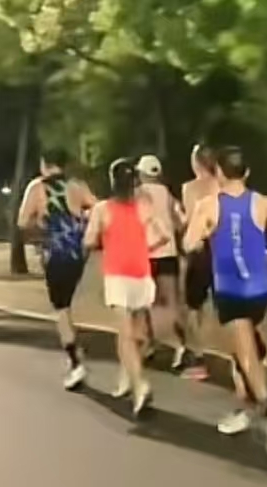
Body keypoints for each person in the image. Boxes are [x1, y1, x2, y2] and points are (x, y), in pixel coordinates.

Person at [184, 145, 267, 452]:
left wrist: (204, 237)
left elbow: (188, 243)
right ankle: (244, 409)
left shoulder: (208, 205)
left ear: (218, 172)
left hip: (230, 289)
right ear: (247, 172)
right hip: (260, 290)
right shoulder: (265, 202)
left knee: (244, 354)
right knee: (241, 348)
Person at [84, 158, 172, 415]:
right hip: (141, 274)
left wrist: (102, 240)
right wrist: (145, 248)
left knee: (125, 335)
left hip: (117, 274)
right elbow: (165, 235)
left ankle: (139, 384)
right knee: (136, 333)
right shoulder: (144, 206)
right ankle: (126, 378)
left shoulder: (102, 209)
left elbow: (89, 241)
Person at [19, 148, 97, 390]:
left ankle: (76, 363)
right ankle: (77, 353)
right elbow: (97, 209)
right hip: (79, 253)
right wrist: (81, 222)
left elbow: (22, 221)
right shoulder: (77, 185)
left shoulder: (37, 187)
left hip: (56, 254)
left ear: (44, 164)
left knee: (61, 309)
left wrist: (41, 223)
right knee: (68, 302)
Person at [136, 155, 189, 371]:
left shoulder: (137, 194)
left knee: (142, 302)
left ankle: (148, 343)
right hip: (168, 253)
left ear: (142, 173)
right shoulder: (168, 195)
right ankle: (182, 346)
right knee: (173, 303)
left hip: (144, 254)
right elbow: (182, 221)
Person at [179, 144, 220, 380]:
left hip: (199, 248)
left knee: (193, 305)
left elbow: (190, 220)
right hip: (222, 246)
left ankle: (199, 354)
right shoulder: (222, 185)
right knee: (222, 304)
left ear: (196, 162)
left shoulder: (189, 188)